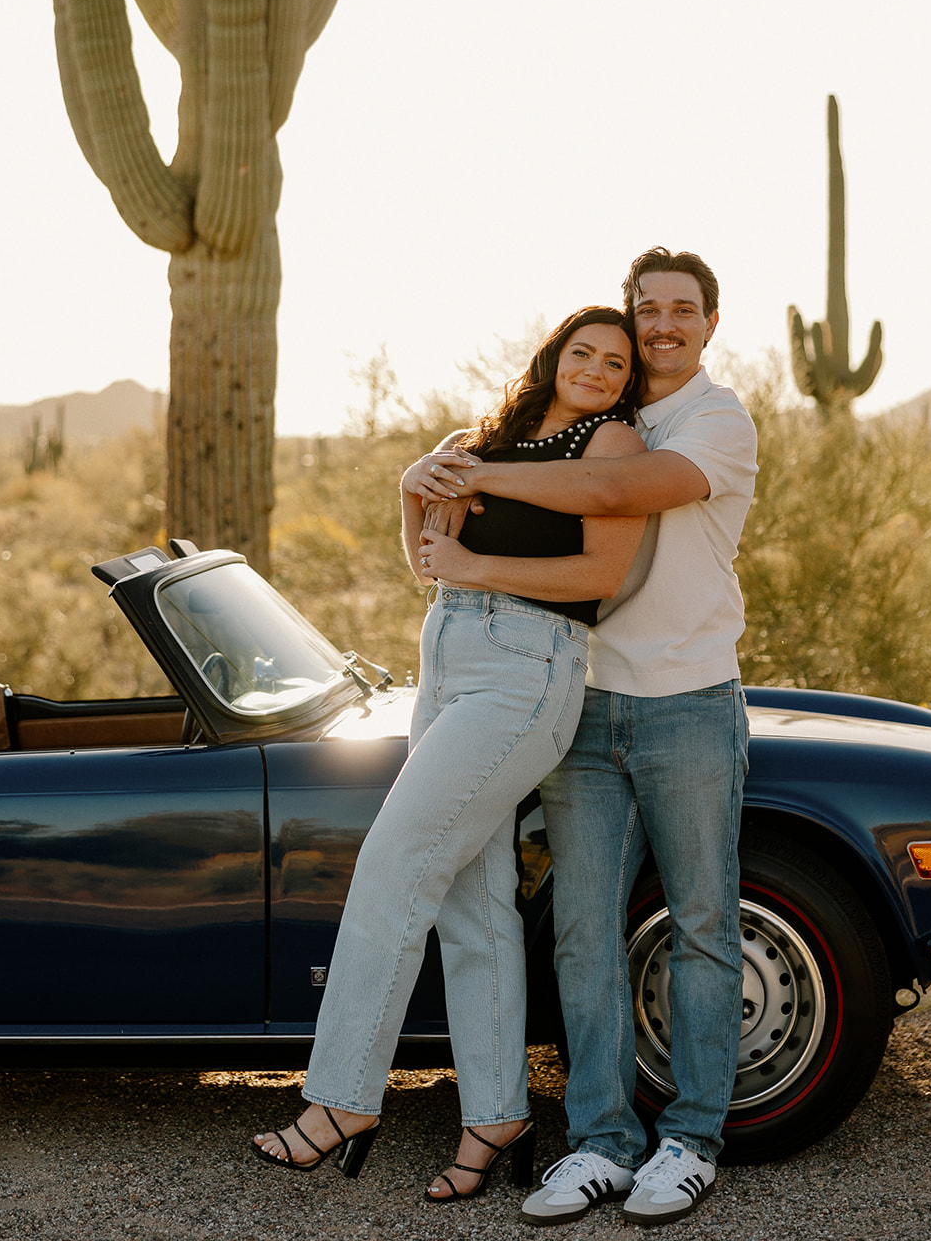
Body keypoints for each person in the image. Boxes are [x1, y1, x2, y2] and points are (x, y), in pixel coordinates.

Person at [252, 307, 647, 1203]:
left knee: (394, 868)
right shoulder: (482, 439)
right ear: (553, 356)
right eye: (582, 352)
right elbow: (429, 562)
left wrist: (476, 570)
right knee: (472, 904)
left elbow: (597, 580)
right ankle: (498, 1113)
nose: (596, 370)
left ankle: (342, 1099)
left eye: (615, 363)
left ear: (624, 384)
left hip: (527, 670)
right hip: (448, 657)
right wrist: (409, 486)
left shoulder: (612, 444)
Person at [413, 249, 757, 1228]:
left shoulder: (714, 422)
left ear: (708, 323)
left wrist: (486, 470)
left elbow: (613, 497)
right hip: (581, 702)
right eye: (645, 310)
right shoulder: (595, 417)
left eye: (679, 311)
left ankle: (690, 1138)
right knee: (582, 932)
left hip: (687, 703)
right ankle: (600, 1143)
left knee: (699, 923)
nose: (659, 327)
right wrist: (435, 472)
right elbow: (477, 496)